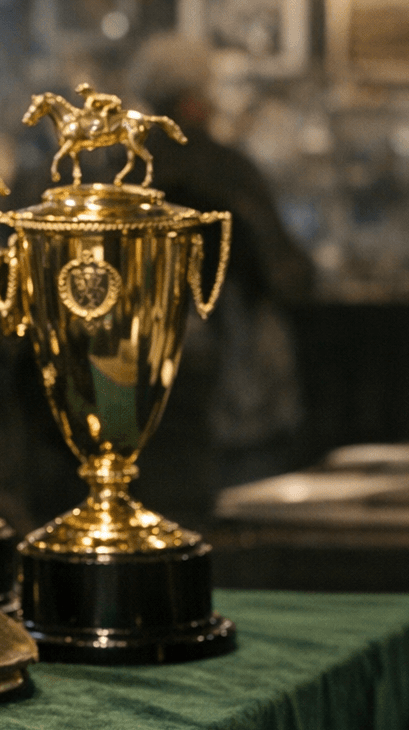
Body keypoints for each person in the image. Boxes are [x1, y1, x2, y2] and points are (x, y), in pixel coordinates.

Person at [125, 32, 316, 520]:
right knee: (245, 525)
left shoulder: (118, 172)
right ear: (195, 101)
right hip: (232, 387)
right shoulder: (229, 168)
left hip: (132, 382)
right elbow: (291, 275)